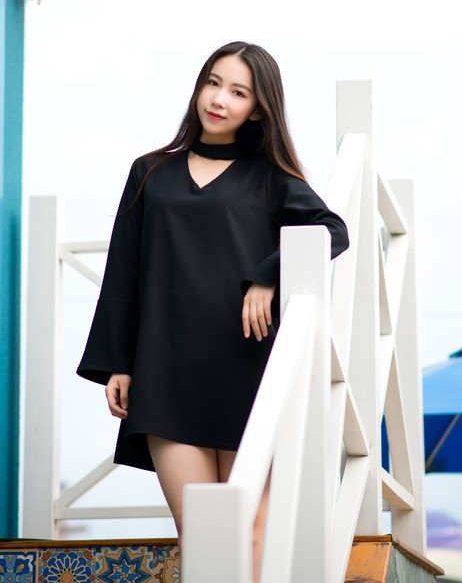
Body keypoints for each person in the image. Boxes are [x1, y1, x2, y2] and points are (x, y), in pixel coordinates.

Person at [77, 41, 349, 581]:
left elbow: (331, 230)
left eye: (238, 92)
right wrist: (118, 364)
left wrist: (267, 275)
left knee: (252, 533)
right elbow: (124, 272)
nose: (219, 99)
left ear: (259, 109)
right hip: (168, 373)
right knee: (200, 535)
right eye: (213, 83)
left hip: (249, 369)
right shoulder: (151, 172)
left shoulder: (271, 177)